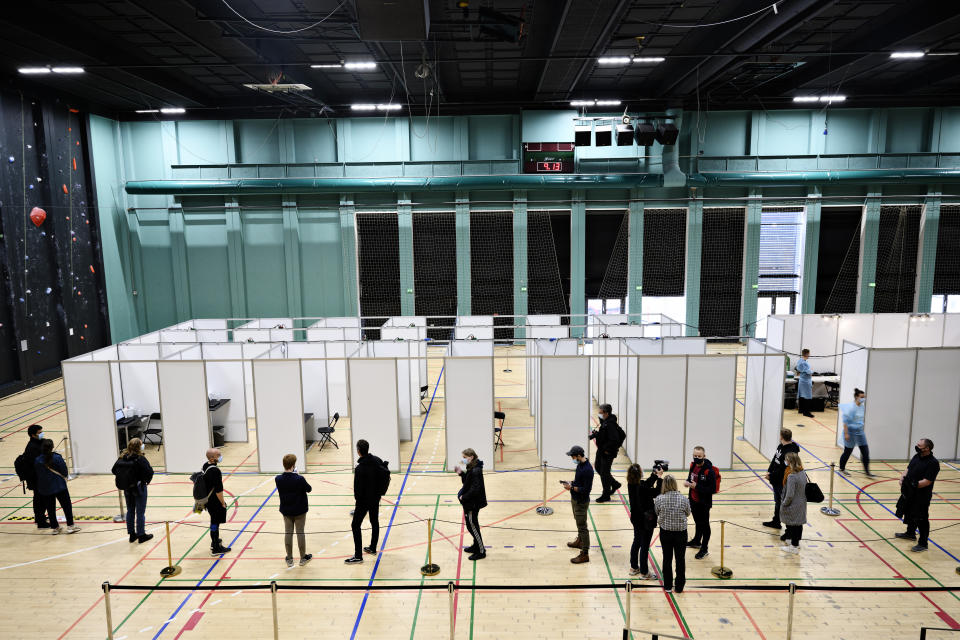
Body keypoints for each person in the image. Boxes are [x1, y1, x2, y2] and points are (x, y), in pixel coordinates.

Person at [346, 439, 387, 564]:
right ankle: (373, 548)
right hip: (375, 498)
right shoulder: (377, 460)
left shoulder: (360, 469)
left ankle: (358, 555)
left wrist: (359, 503)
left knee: (355, 525)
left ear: (358, 451)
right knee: (374, 521)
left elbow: (357, 490)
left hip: (363, 501)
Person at [896, 438, 940, 552]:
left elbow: (927, 481)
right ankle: (910, 533)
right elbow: (908, 469)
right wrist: (902, 478)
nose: (917, 447)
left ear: (927, 448)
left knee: (921, 518)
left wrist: (913, 485)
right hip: (910, 493)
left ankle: (923, 543)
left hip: (922, 496)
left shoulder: (933, 463)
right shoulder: (916, 456)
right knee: (909, 513)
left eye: (919, 445)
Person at [111, 438, 154, 543]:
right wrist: (145, 480)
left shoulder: (122, 457)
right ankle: (141, 535)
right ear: (139, 447)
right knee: (140, 512)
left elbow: (113, 470)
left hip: (127, 488)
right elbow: (150, 471)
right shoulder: (140, 458)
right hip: (139, 488)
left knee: (130, 510)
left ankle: (132, 534)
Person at [33, 439, 81, 534]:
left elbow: (37, 473)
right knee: (66, 506)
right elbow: (64, 470)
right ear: (52, 447)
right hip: (59, 486)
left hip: (46, 488)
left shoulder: (37, 460)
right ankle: (70, 526)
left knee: (50, 508)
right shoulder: (57, 458)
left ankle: (55, 527)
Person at [654, 475, 690, 594]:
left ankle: (668, 585)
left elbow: (656, 512)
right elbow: (688, 513)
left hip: (666, 533)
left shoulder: (659, 498)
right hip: (681, 533)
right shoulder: (683, 498)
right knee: (680, 559)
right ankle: (679, 586)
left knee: (667, 558)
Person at [275, 454, 313, 567]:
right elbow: (309, 489)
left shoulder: (278, 479)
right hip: (300, 510)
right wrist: (298, 476)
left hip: (286, 510)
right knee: (300, 533)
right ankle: (302, 558)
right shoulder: (299, 479)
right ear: (293, 465)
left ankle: (290, 558)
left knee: (288, 533)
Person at [627, 463, 662, 578]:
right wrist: (660, 478)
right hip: (645, 520)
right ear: (639, 474)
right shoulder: (642, 488)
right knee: (645, 546)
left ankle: (634, 567)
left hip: (636, 518)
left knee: (636, 541)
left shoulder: (632, 484)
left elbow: (646, 484)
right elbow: (657, 491)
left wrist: (654, 475)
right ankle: (644, 572)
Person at [560, 445, 594, 564]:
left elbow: (586, 490)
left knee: (582, 527)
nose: (572, 458)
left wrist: (572, 487)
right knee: (578, 521)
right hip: (575, 499)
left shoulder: (588, 470)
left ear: (578, 456)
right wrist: (572, 483)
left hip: (581, 501)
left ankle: (585, 553)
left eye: (573, 456)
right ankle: (579, 541)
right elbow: (579, 482)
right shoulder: (580, 465)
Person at [684, 446, 717, 559]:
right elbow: (691, 477)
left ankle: (704, 548)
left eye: (699, 456)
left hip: (703, 503)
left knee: (705, 525)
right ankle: (697, 541)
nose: (696, 458)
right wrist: (687, 482)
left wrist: (696, 486)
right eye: (695, 456)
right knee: (697, 522)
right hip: (693, 500)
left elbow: (712, 490)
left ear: (704, 456)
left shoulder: (709, 471)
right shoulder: (692, 465)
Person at [763, 428, 799, 530]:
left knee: (783, 503)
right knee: (777, 501)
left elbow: (783, 469)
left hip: (782, 481)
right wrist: (769, 471)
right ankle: (776, 521)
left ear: (781, 437)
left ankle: (789, 528)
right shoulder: (780, 446)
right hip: (775, 479)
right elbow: (775, 459)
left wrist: (771, 476)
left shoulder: (791, 451)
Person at [456, 448, 488, 561]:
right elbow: (467, 482)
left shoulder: (475, 470)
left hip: (473, 503)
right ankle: (476, 546)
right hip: (471, 502)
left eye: (465, 457)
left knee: (472, 526)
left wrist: (463, 497)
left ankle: (481, 551)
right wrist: (461, 474)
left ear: (471, 457)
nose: (463, 460)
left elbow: (475, 488)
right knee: (471, 525)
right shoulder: (471, 467)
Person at [589, 404, 624, 503]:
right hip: (601, 450)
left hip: (607, 453)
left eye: (600, 413)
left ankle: (606, 495)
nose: (598, 414)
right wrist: (597, 435)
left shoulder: (610, 424)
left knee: (604, 473)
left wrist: (606, 450)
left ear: (606, 413)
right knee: (598, 468)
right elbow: (605, 435)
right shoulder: (605, 422)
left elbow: (614, 440)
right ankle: (615, 484)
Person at [201, 448, 231, 556]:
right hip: (214, 501)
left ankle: (215, 541)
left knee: (214, 521)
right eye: (218, 455)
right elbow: (219, 490)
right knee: (215, 523)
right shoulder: (215, 471)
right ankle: (215, 548)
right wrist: (222, 503)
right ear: (212, 458)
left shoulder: (206, 465)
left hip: (207, 500)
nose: (221, 456)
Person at [779, 452, 808, 555]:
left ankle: (793, 546)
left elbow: (790, 494)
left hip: (793, 504)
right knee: (798, 524)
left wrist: (784, 504)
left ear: (790, 462)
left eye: (787, 460)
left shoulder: (791, 476)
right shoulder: (802, 472)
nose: (785, 462)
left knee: (793, 525)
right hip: (801, 503)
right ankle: (795, 543)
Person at [839, 388, 872, 477]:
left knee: (865, 451)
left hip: (860, 432)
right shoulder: (851, 407)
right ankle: (842, 469)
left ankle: (867, 472)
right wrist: (846, 433)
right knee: (847, 452)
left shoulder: (862, 407)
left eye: (864, 397)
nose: (863, 399)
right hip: (850, 432)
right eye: (862, 397)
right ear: (857, 397)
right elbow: (845, 421)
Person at [21, 425, 49, 529]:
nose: (42, 434)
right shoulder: (31, 447)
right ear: (33, 435)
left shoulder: (39, 442)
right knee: (39, 499)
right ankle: (40, 521)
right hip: (36, 478)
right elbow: (37, 464)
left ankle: (40, 517)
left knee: (42, 498)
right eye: (39, 433)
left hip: (41, 476)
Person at [794, 349, 814, 418]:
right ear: (807, 354)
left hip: (803, 380)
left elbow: (798, 369)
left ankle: (801, 410)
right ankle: (806, 412)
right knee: (807, 397)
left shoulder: (801, 360)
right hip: (805, 381)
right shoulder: (803, 362)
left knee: (802, 396)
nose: (809, 355)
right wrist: (812, 371)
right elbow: (808, 371)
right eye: (809, 354)